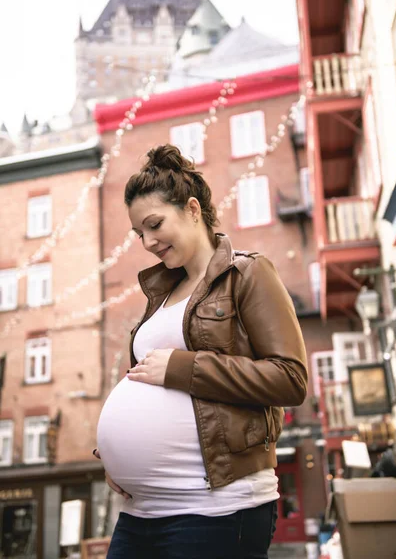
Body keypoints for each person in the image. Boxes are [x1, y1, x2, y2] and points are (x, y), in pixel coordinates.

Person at [94, 144, 308, 559]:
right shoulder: (161, 294)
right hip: (140, 512)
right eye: (140, 233)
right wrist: (115, 456)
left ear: (193, 209)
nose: (148, 242)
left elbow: (291, 378)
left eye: (155, 225)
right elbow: (144, 384)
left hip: (217, 507)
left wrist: (184, 367)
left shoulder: (246, 273)